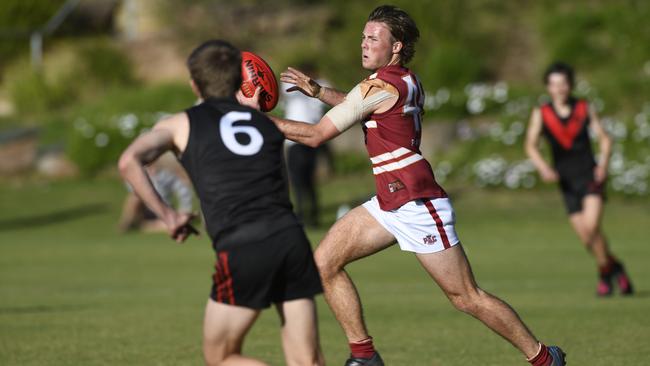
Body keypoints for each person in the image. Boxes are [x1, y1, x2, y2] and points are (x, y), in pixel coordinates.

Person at [246, 5, 565, 366]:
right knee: (323, 264)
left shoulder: (379, 85)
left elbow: (318, 135)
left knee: (466, 298)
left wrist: (255, 119)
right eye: (363, 37)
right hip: (389, 202)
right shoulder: (403, 80)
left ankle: (543, 358)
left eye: (373, 38)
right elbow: (360, 105)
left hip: (417, 203)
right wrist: (319, 91)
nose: (364, 44)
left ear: (396, 46)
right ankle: (364, 356)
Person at [118, 39, 324, 366]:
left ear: (193, 83)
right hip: (290, 239)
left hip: (244, 246)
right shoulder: (265, 124)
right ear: (237, 82)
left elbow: (129, 160)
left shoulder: (180, 124)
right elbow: (308, 138)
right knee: (306, 361)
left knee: (222, 356)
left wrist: (168, 216)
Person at [525, 62, 634, 297]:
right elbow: (530, 145)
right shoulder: (541, 113)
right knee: (586, 238)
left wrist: (603, 165)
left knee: (593, 226)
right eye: (554, 84)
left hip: (590, 176)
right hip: (566, 182)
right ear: (548, 87)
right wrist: (544, 167)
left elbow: (605, 139)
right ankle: (615, 267)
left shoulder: (584, 108)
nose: (559, 89)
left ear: (570, 85)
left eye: (563, 83)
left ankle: (604, 275)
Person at [282, 62, 328, 226]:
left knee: (303, 181)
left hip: (305, 139)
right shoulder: (291, 88)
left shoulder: (320, 86)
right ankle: (309, 215)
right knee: (302, 181)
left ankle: (308, 216)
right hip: (300, 140)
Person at [118, 153, 194, 233]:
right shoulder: (140, 176)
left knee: (168, 225)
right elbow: (130, 186)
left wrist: (185, 209)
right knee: (134, 198)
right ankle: (127, 223)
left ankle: (143, 226)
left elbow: (182, 190)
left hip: (164, 208)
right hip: (146, 210)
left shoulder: (164, 176)